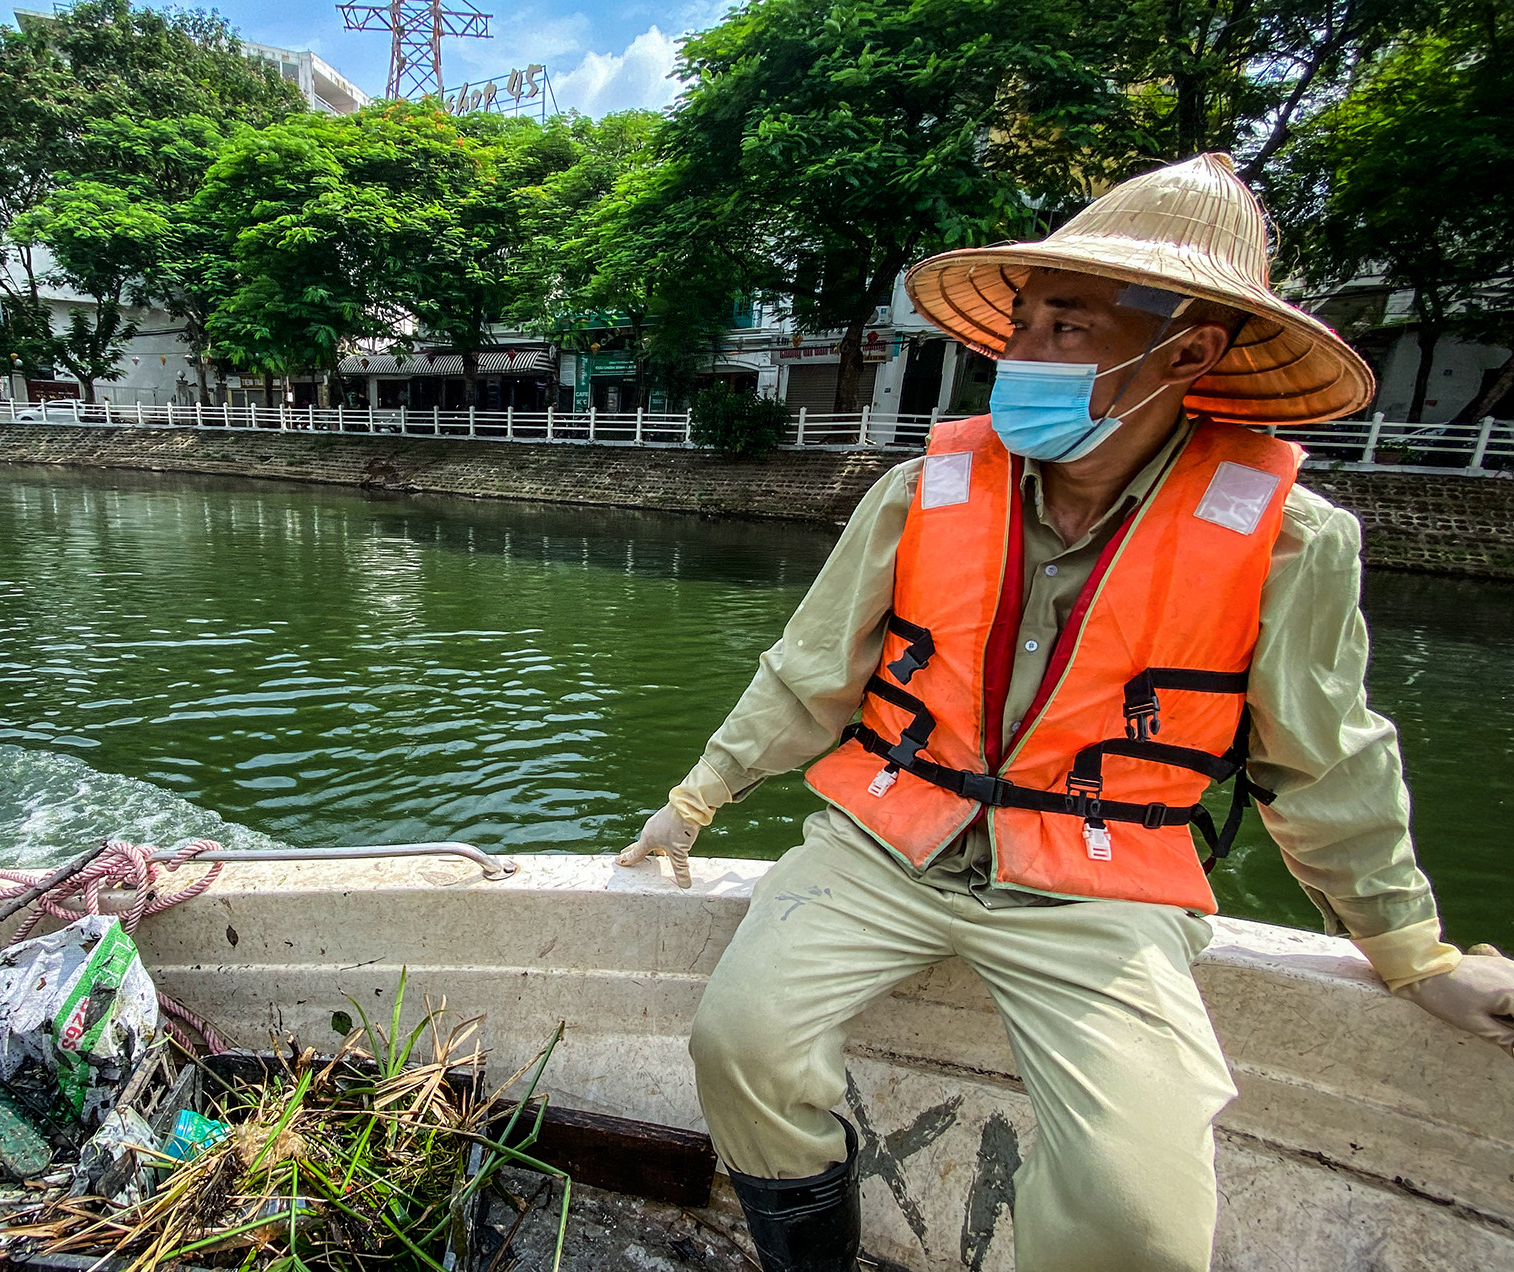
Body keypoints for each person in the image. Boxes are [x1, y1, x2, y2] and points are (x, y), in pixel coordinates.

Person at [617, 153, 1514, 1272]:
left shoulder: (1289, 537)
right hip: (884, 841)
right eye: (1023, 324)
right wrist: (696, 797)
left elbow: (1326, 759)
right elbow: (811, 674)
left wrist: (1413, 951)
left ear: (1187, 352)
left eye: (1066, 328)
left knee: (1137, 1221)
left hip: (1101, 882)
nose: (1020, 355)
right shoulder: (922, 489)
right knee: (739, 1040)